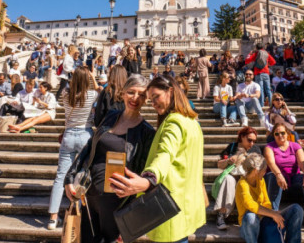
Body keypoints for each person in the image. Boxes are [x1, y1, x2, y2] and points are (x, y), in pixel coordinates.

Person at [110, 75, 206, 243]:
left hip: (169, 209)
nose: (153, 103)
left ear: (170, 91)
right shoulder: (192, 122)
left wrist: (149, 179)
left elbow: (165, 154)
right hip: (185, 207)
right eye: (151, 99)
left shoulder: (173, 123)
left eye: (156, 97)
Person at [61, 75, 156, 238]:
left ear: (147, 98)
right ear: (124, 93)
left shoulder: (147, 131)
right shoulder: (111, 116)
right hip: (89, 193)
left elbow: (144, 172)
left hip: (118, 201)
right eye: (131, 92)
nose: (135, 98)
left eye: (141, 94)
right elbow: (90, 147)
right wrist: (69, 177)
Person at [47, 67, 99, 227]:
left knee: (61, 176)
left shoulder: (65, 93)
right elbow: (99, 89)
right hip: (85, 134)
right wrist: (93, 76)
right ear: (87, 79)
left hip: (69, 135)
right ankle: (83, 212)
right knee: (84, 175)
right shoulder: (91, 94)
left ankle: (53, 218)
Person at [264, 123, 304, 234]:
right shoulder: (269, 147)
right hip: (276, 181)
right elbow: (271, 163)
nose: (280, 136)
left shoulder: (295, 146)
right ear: (273, 135)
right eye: (277, 134)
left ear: (287, 133)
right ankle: (274, 214)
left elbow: (302, 162)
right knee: (273, 175)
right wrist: (279, 174)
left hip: (293, 179)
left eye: (282, 133)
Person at [235, 152, 303, 243]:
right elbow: (250, 205)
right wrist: (273, 214)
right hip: (248, 227)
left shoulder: (261, 181)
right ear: (256, 171)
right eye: (264, 170)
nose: (265, 172)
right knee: (250, 217)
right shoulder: (242, 184)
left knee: (297, 209)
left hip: (264, 221)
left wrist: (275, 214)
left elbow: (266, 202)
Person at [213, 127, 263, 230]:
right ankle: (221, 216)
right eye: (249, 140)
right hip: (231, 180)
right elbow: (219, 164)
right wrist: (229, 161)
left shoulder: (255, 149)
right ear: (242, 137)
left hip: (247, 181)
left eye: (254, 141)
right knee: (228, 179)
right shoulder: (232, 147)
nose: (252, 143)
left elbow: (259, 169)